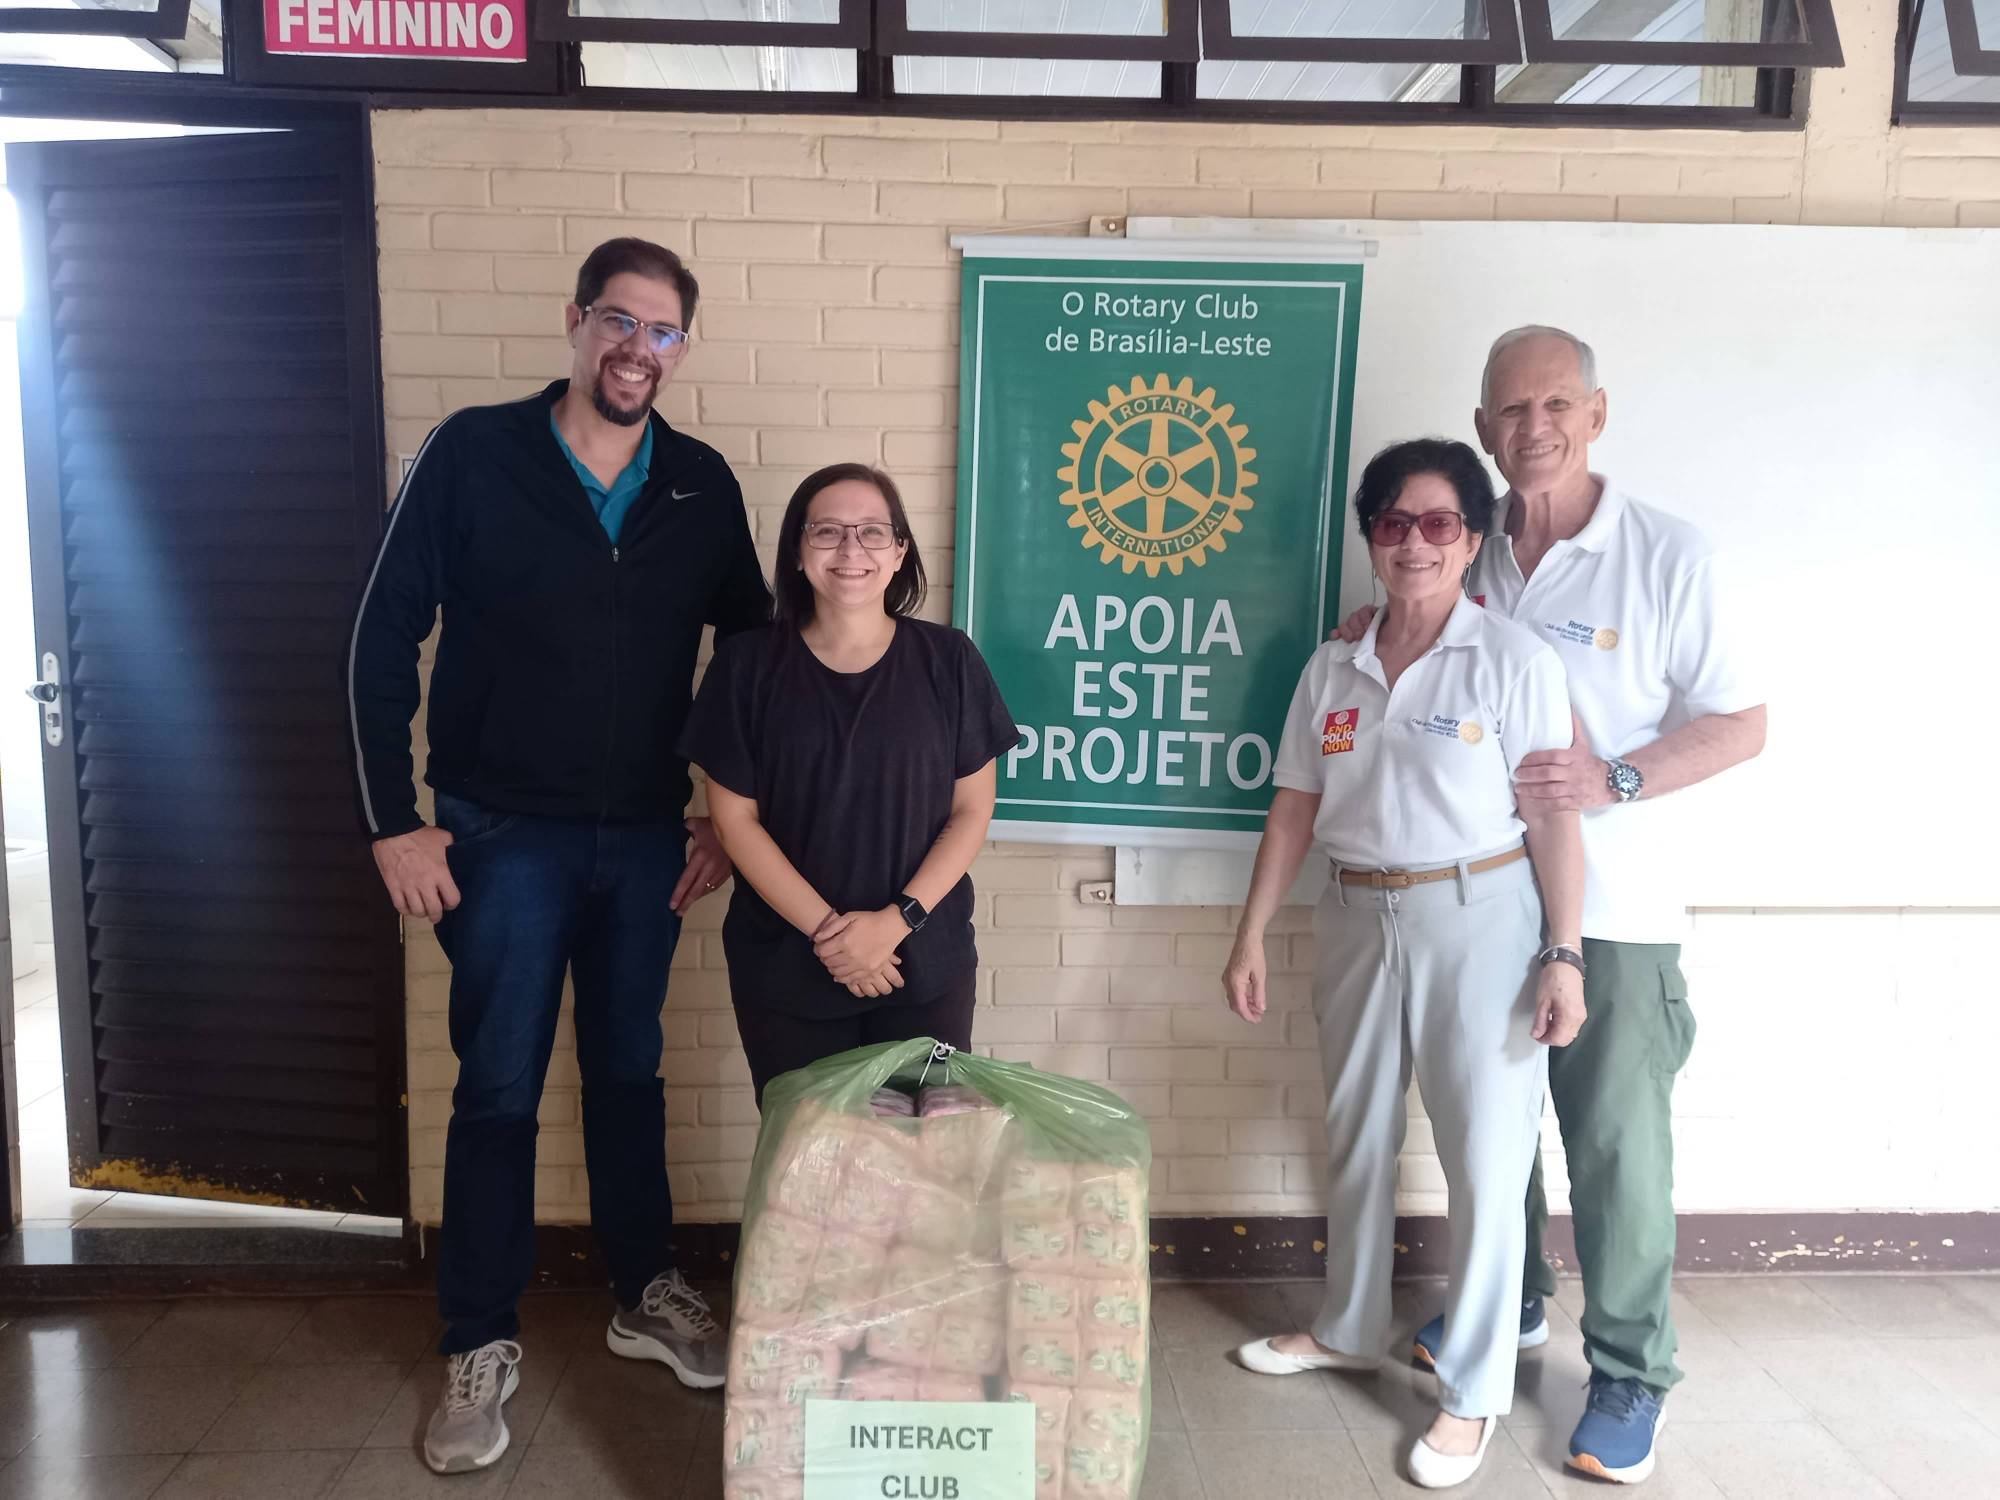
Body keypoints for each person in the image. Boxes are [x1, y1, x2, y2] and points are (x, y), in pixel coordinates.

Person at [348, 238, 771, 1474]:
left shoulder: (698, 484)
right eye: (617, 322)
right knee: (497, 1089)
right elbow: (378, 636)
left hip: (645, 840)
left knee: (628, 1072)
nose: (637, 349)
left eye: (662, 333)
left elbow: (749, 663)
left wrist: (721, 817)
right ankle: (477, 1340)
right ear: (575, 322)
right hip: (496, 835)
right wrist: (393, 818)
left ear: (681, 349)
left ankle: (645, 1292)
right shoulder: (473, 453)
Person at [1345, 328, 1767, 1485]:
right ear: (1482, 428)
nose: (1530, 427)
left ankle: (1629, 1374)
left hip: (1613, 914)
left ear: (1593, 413)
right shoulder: (1466, 545)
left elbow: (1740, 722)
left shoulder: (1665, 553)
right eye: (1507, 410)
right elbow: (1419, 630)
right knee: (1492, 1138)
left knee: (1615, 1145)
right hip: (1480, 899)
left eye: (1553, 405)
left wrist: (1614, 778)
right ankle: (1512, 1305)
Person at [1224, 439, 1587, 1490]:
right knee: (1356, 1133)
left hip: (1477, 918)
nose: (1413, 542)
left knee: (1480, 1158)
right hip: (1350, 914)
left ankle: (1470, 1392)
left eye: (1437, 523)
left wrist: (1560, 952)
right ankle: (1344, 1325)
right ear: (1370, 539)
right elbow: (1294, 803)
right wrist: (1249, 931)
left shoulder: (1511, 659)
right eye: (1392, 522)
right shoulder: (1331, 661)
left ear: (1470, 540)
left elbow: (1554, 820)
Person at [678, 463, 1020, 1105]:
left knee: (923, 1167)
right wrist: (834, 937)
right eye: (828, 532)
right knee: (808, 1170)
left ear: (899, 553)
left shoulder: (949, 661)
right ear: (798, 552)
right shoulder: (747, 667)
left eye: (871, 532)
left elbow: (972, 810)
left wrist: (896, 923)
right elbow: (734, 821)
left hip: (924, 962)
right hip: (786, 964)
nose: (850, 550)